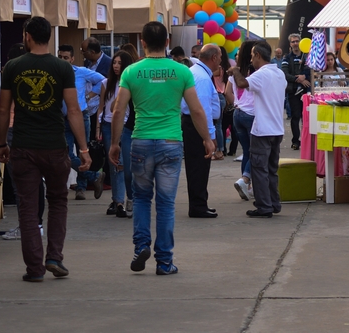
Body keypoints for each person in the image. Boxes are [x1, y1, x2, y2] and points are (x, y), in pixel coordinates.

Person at [108, 21, 214, 276]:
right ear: (167, 42)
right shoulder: (182, 71)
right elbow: (197, 109)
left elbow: (118, 110)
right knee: (166, 204)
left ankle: (141, 246)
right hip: (170, 142)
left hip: (141, 141)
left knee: (142, 198)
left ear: (142, 43)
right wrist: (207, 138)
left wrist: (113, 143)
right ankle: (164, 261)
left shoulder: (131, 72)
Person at [0, 16, 90, 281]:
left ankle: (34, 268)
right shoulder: (62, 68)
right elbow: (73, 110)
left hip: (23, 146)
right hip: (55, 146)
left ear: (27, 36)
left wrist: (2, 143)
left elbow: (3, 109)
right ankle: (54, 257)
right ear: (49, 37)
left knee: (27, 206)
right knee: (58, 201)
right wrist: (83, 149)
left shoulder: (12, 67)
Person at [231, 41, 287, 218]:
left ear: (257, 56)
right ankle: (273, 202)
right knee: (271, 169)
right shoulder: (279, 73)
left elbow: (241, 83)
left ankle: (264, 206)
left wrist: (235, 71)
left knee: (259, 169)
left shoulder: (261, 75)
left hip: (262, 129)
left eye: (252, 56)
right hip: (276, 129)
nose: (251, 59)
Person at [1, 43, 47, 241]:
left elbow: (3, 110)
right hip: (37, 132)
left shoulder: (11, 75)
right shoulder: (34, 75)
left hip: (15, 131)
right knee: (36, 181)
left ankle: (26, 225)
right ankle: (36, 224)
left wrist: (1, 142)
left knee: (20, 183)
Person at [57, 44, 105, 200]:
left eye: (66, 57)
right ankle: (94, 176)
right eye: (60, 57)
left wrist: (89, 95)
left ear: (72, 59)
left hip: (81, 116)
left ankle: (81, 187)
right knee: (66, 154)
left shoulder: (81, 72)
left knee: (83, 151)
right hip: (63, 119)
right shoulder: (55, 74)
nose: (63, 60)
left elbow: (103, 81)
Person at [181, 44, 222, 218]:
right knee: (199, 165)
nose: (221, 61)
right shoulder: (203, 78)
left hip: (193, 123)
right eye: (220, 57)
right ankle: (198, 205)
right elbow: (202, 109)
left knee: (198, 165)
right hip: (197, 125)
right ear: (213, 58)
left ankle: (200, 202)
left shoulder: (197, 72)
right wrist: (210, 136)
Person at [97, 51, 134, 218]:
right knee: (114, 163)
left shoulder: (130, 82)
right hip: (107, 124)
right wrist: (98, 127)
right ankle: (117, 201)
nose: (116, 66)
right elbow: (103, 106)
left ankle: (126, 199)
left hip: (126, 126)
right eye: (114, 63)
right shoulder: (106, 82)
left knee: (125, 165)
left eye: (120, 63)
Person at [232, 40, 257, 201]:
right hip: (252, 113)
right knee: (256, 151)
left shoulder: (236, 71)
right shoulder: (255, 72)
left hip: (238, 112)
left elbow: (228, 92)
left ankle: (245, 185)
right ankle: (245, 180)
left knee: (246, 151)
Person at [281, 33, 310, 150]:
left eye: (297, 41)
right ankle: (295, 141)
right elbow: (284, 73)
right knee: (295, 116)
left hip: (306, 91)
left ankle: (306, 140)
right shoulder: (286, 58)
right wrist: (299, 79)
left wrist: (305, 76)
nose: (295, 43)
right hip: (293, 92)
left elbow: (312, 69)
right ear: (290, 44)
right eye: (293, 41)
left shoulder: (307, 57)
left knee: (306, 117)